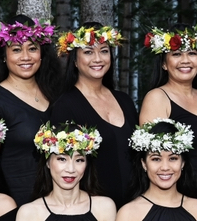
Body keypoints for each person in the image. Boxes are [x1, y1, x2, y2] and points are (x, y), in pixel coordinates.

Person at [138, 22, 197, 220]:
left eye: (192, 53)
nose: (185, 60)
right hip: (182, 195)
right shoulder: (157, 98)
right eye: (177, 54)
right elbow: (153, 159)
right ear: (164, 63)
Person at [48, 24, 135, 206]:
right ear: (74, 60)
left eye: (104, 51)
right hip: (93, 208)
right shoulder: (65, 106)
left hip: (134, 206)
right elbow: (63, 165)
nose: (97, 58)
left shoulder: (125, 101)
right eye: (88, 52)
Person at [0, 17, 59, 203]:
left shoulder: (55, 94)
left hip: (58, 204)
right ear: (3, 56)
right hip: (16, 204)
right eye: (16, 49)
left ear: (42, 53)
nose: (26, 57)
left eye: (32, 49)